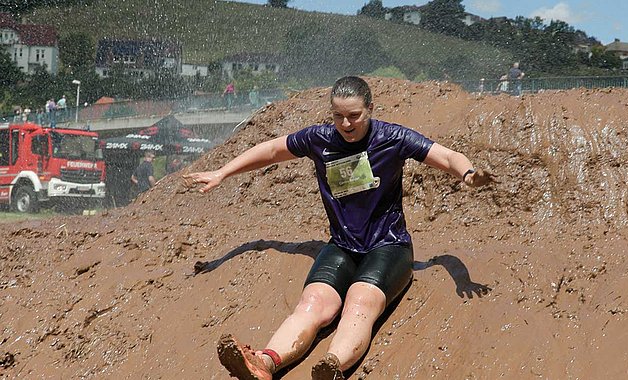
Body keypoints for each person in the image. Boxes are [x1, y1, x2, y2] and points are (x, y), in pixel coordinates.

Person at [182, 76, 495, 380]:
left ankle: (332, 366)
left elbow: (447, 155)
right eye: (339, 116)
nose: (346, 124)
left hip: (389, 247)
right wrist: (222, 173)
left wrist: (467, 174)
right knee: (312, 304)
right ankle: (264, 364)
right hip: (343, 245)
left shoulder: (393, 138)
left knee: (359, 302)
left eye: (354, 116)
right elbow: (272, 150)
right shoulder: (320, 139)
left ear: (370, 108)